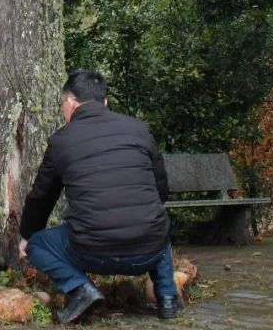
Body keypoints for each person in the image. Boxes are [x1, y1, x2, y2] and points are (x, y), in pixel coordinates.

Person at [18, 70, 184, 324]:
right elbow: (161, 189)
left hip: (92, 253)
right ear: (104, 103)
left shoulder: (62, 141)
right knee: (156, 223)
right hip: (148, 251)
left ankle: (81, 289)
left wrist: (28, 235)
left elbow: (41, 197)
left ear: (71, 103)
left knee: (37, 244)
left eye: (63, 105)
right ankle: (167, 297)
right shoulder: (139, 129)